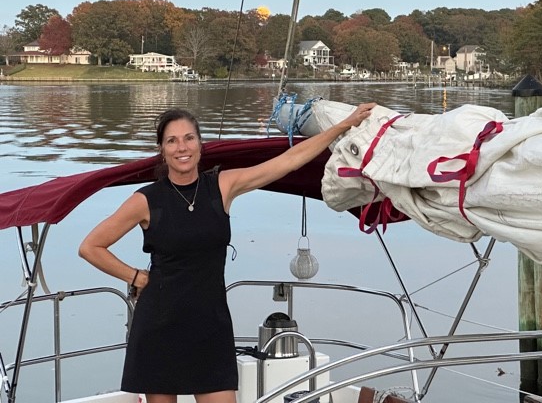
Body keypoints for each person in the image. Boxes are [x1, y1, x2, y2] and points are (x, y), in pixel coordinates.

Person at [78, 102, 376, 403]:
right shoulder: (145, 200)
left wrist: (342, 126)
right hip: (159, 324)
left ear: (200, 143)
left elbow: (288, 161)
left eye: (189, 138)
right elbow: (91, 247)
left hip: (210, 323)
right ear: (162, 149)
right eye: (172, 140)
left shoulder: (221, 186)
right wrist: (136, 277)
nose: (182, 147)